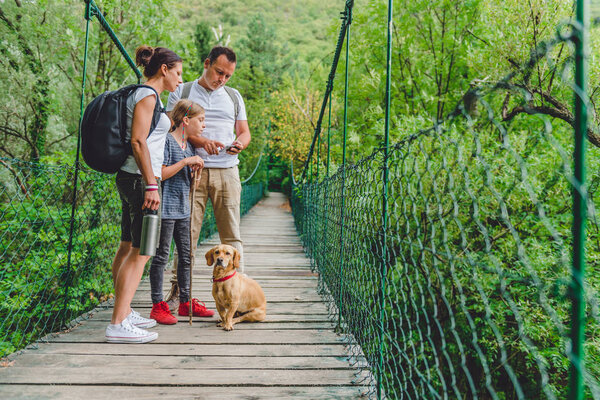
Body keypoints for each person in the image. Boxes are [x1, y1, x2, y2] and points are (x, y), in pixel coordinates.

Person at [105, 45, 183, 343]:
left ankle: (122, 312)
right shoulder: (148, 95)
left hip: (131, 177)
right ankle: (117, 324)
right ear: (164, 70)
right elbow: (138, 142)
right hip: (141, 180)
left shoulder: (140, 93)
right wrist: (152, 184)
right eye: (177, 73)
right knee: (143, 251)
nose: (179, 79)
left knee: (127, 245)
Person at [166, 46, 250, 285]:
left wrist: (239, 144)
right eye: (218, 72)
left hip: (228, 172)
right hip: (191, 171)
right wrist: (202, 142)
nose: (221, 79)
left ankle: (238, 290)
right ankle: (179, 291)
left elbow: (244, 133)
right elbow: (172, 129)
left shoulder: (233, 96)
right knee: (186, 235)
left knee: (232, 236)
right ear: (206, 64)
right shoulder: (182, 90)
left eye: (227, 76)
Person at [149, 99, 215, 324]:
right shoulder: (167, 141)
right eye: (201, 120)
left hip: (183, 209)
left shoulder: (190, 146)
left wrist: (195, 172)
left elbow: (188, 183)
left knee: (186, 257)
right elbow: (162, 173)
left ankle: (186, 302)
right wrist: (187, 162)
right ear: (186, 120)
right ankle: (158, 305)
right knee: (161, 257)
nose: (203, 125)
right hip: (166, 208)